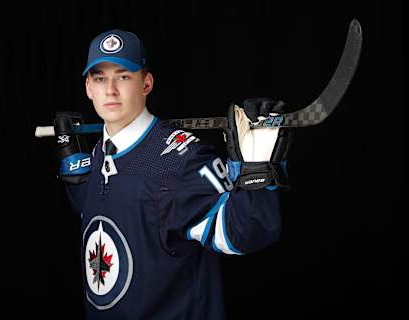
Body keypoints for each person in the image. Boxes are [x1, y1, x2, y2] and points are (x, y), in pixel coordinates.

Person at [53, 29, 293, 319]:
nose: (111, 89)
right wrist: (76, 173)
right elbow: (108, 212)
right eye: (100, 78)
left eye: (124, 76)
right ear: (88, 88)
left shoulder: (181, 161)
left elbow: (248, 232)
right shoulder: (99, 154)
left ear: (146, 83)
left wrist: (257, 170)